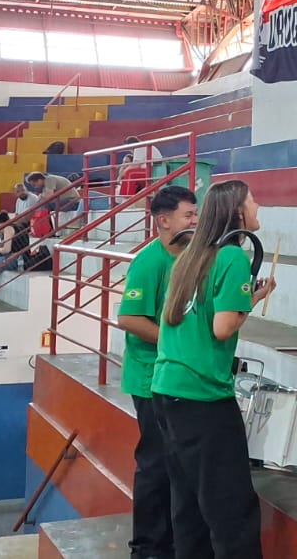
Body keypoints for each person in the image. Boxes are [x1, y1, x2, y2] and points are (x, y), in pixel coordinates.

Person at [151, 180, 276, 559]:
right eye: (253, 201)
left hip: (167, 390)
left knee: (188, 507)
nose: (258, 207)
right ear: (238, 211)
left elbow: (202, 313)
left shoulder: (191, 256)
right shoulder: (233, 257)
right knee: (231, 511)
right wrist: (247, 305)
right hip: (203, 397)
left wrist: (249, 296)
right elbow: (223, 327)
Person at [117, 185, 200, 559]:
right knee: (155, 465)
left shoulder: (190, 258)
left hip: (177, 378)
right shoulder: (149, 262)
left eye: (196, 214)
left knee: (176, 466)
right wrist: (176, 343)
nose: (195, 221)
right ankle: (147, 548)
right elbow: (129, 318)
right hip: (150, 379)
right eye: (188, 215)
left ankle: (172, 542)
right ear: (164, 221)